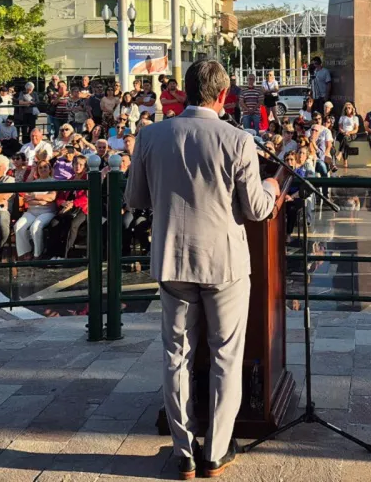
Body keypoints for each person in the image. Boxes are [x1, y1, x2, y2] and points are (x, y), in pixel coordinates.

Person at [124, 60, 280, 479]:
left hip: (172, 260)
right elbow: (256, 210)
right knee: (226, 356)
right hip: (225, 263)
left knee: (176, 356)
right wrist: (272, 187)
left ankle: (184, 452)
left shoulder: (151, 135)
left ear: (186, 92)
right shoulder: (238, 139)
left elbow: (135, 198)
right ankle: (216, 451)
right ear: (223, 95)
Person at [44, 155, 89, 259]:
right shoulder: (70, 179)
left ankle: (65, 256)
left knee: (72, 224)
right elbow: (60, 197)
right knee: (54, 223)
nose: (78, 166)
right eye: (76, 164)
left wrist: (73, 203)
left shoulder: (87, 178)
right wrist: (63, 203)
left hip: (82, 209)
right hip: (67, 208)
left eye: (81, 164)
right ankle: (53, 254)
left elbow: (87, 197)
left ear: (85, 167)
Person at [335, 102, 359, 167]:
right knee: (345, 140)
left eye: (349, 108)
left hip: (352, 134)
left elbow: (356, 129)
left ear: (352, 109)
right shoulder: (342, 117)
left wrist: (349, 132)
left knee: (345, 138)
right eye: (346, 108)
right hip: (343, 133)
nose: (347, 109)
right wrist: (344, 132)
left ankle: (340, 153)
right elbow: (340, 128)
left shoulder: (355, 118)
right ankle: (345, 161)